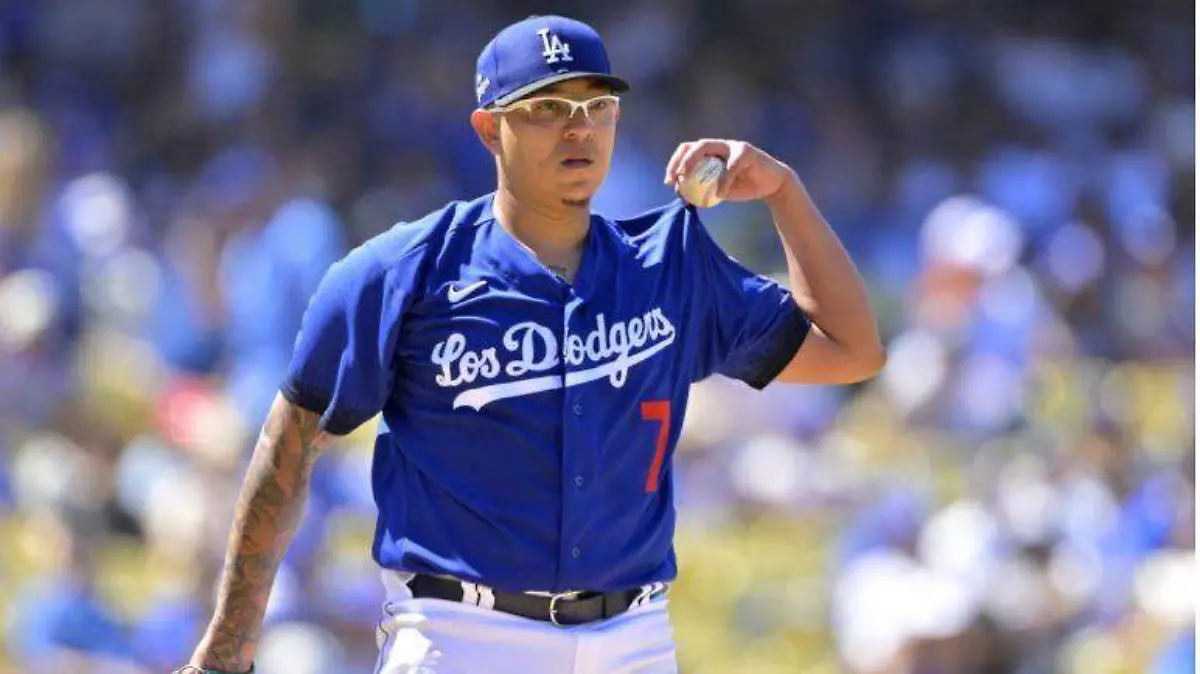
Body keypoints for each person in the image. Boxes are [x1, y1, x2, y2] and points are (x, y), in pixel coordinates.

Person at [176, 14, 884, 674]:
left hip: (633, 637)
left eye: (596, 106)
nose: (577, 129)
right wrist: (226, 649)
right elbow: (287, 447)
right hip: (462, 633)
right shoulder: (402, 274)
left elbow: (852, 350)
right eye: (546, 108)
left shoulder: (668, 267)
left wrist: (784, 192)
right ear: (489, 129)